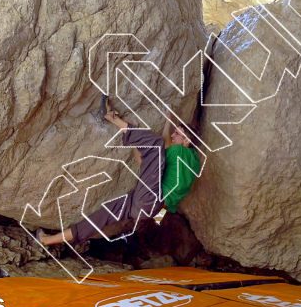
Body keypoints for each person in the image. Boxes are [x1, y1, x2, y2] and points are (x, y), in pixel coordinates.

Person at [36, 101, 201, 247]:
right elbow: (158, 154)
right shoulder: (193, 163)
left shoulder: (179, 152)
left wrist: (161, 122)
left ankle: (113, 119)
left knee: (155, 145)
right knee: (101, 217)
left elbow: (156, 150)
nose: (173, 135)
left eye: (178, 134)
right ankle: (47, 240)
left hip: (149, 197)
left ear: (187, 141)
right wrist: (167, 120)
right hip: (147, 208)